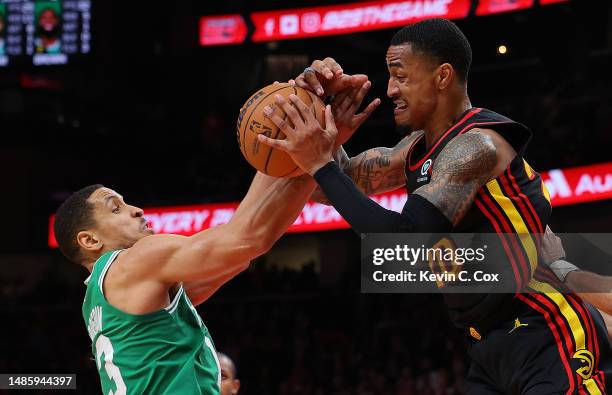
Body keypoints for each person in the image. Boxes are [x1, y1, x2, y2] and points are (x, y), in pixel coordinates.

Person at [259, 18, 609, 394]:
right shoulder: (413, 150)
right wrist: (313, 105)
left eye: (401, 76)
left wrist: (320, 163)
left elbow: (407, 238)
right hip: (488, 347)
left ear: (442, 76)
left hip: (548, 332)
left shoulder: (476, 147)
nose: (390, 89)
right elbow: (336, 183)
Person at [53, 170, 318, 394]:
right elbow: (247, 239)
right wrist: (313, 166)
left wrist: (282, 161)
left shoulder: (102, 300)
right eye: (116, 208)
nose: (136, 210)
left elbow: (238, 256)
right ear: (90, 240)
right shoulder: (134, 262)